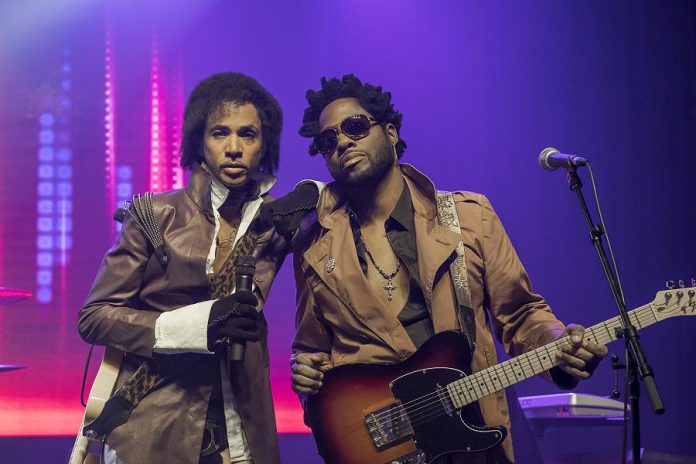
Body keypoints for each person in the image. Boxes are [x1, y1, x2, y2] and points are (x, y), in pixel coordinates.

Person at [289, 74, 608, 463]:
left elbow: (521, 315)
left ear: (390, 132)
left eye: (355, 127)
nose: (342, 142)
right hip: (385, 447)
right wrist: (306, 378)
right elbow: (311, 352)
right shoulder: (313, 247)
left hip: (472, 436)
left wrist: (558, 343)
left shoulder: (468, 218)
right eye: (328, 140)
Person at [77, 72, 289, 464]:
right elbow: (94, 317)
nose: (233, 148)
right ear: (198, 141)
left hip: (242, 429)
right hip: (155, 424)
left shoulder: (275, 221)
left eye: (248, 135)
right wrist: (198, 324)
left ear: (265, 145)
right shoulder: (155, 216)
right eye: (219, 133)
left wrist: (314, 191)